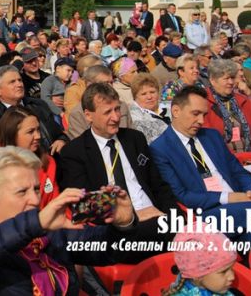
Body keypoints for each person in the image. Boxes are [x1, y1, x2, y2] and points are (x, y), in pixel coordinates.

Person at [0, 146, 138, 295]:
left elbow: (104, 250)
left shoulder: (47, 234)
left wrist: (122, 225)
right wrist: (35, 223)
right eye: (22, 191)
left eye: (36, 189)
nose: (36, 200)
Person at [150, 85, 251, 245]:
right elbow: (182, 194)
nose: (201, 121)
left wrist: (250, 193)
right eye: (195, 114)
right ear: (176, 111)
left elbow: (239, 172)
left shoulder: (211, 136)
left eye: (204, 114)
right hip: (205, 213)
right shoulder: (160, 148)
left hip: (239, 206)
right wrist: (229, 198)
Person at [59, 83, 177, 261]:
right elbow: (82, 206)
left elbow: (158, 185)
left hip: (157, 217)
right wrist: (132, 216)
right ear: (88, 115)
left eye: (117, 109)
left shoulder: (134, 139)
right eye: (107, 112)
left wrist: (174, 216)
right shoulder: (74, 152)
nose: (115, 117)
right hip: (117, 227)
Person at [0, 106, 60, 217]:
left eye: (38, 130)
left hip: (46, 228)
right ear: (12, 134)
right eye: (31, 132)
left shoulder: (47, 162)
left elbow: (56, 205)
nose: (38, 136)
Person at [0, 65, 69, 152]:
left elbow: (59, 133)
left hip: (52, 160)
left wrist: (61, 140)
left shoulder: (38, 104)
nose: (19, 84)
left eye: (20, 80)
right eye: (12, 82)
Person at [204, 59, 251, 153]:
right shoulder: (204, 102)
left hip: (250, 157)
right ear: (213, 80)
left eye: (232, 78)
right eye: (226, 78)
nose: (230, 82)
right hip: (222, 157)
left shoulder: (243, 100)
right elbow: (207, 137)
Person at [66, 65, 133, 140]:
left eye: (111, 82)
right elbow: (82, 145)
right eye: (105, 84)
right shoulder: (77, 114)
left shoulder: (121, 106)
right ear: (89, 85)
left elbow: (132, 135)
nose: (110, 87)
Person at [163, 231, 237, 296]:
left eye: (231, 268)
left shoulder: (219, 289)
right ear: (197, 275)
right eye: (223, 272)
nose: (232, 277)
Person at [130, 73, 170, 144]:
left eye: (152, 92)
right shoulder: (135, 118)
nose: (149, 97)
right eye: (143, 94)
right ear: (135, 97)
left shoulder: (168, 108)